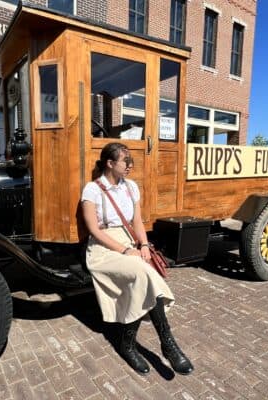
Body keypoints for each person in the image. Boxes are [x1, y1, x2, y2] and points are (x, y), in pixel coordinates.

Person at [80, 142, 193, 375]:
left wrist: (142, 244)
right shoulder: (92, 189)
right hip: (103, 249)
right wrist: (124, 250)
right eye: (126, 161)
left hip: (130, 242)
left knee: (143, 278)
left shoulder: (131, 187)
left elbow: (138, 222)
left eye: (130, 161)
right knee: (144, 274)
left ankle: (130, 343)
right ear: (110, 163)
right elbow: (94, 230)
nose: (131, 165)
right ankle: (166, 342)